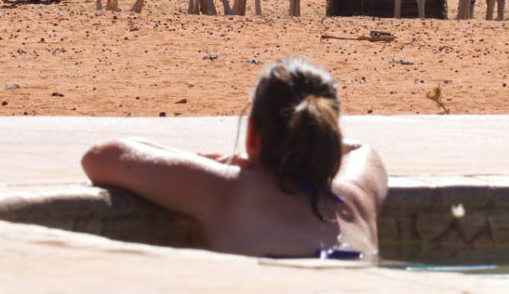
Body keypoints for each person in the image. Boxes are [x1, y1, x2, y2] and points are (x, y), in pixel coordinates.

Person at [81, 57, 387, 259]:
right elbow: (363, 150)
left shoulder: (228, 190)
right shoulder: (356, 199)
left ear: (253, 133)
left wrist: (225, 162)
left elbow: (102, 156)